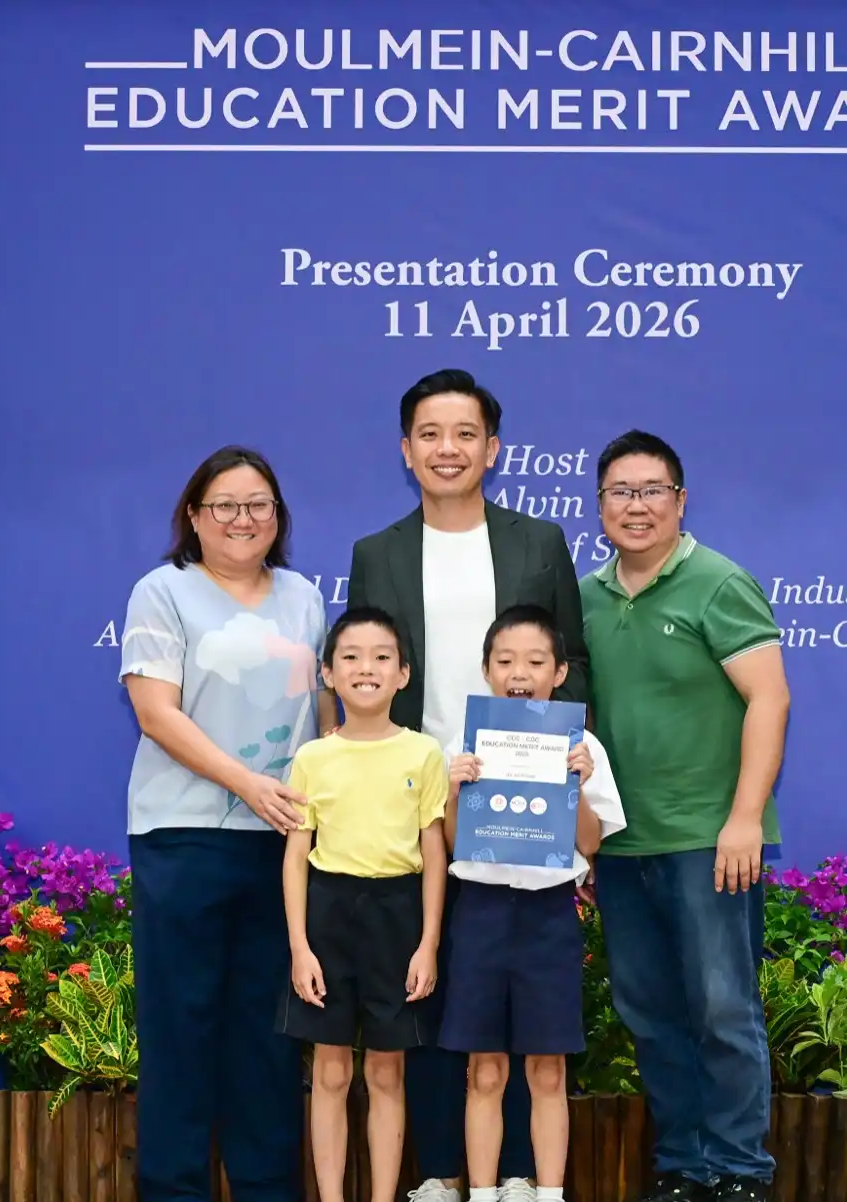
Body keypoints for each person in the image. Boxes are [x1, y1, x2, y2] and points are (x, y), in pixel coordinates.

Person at [347, 368, 589, 1202]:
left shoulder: (539, 543)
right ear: (405, 449)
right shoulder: (376, 553)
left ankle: (518, 1171)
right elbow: (363, 674)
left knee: (518, 997)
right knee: (428, 980)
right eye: (429, 434)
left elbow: (575, 662)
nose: (446, 449)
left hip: (520, 807)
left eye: (464, 434)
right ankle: (442, 1170)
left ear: (493, 449)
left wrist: (567, 796)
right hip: (418, 793)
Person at [577, 431, 792, 1202]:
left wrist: (745, 817)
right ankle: (684, 1165)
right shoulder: (585, 598)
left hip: (710, 840)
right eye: (620, 492)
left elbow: (770, 698)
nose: (635, 506)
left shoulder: (718, 583)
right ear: (599, 505)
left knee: (722, 1009)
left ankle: (740, 1170)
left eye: (651, 491)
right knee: (650, 1012)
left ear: (680, 500)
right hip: (623, 845)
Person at [118, 445, 336, 1202]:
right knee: (180, 1027)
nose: (243, 519)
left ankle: (267, 1187)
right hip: (184, 836)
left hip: (281, 844)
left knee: (269, 1034)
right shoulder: (163, 591)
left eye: (258, 506)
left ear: (278, 516)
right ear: (194, 515)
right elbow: (156, 713)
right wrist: (247, 783)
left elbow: (323, 711)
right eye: (226, 506)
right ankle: (172, 1188)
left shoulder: (304, 598)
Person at [440, 605, 627, 1202]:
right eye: (505, 661)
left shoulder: (582, 745)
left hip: (549, 917)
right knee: (485, 1070)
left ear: (559, 672)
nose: (519, 672)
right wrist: (455, 790)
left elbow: (591, 843)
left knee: (548, 1069)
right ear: (486, 670)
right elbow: (451, 842)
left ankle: (549, 1193)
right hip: (479, 914)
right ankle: (482, 1192)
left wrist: (576, 785)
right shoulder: (463, 743)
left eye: (535, 661)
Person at [278, 606, 450, 1202]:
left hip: (398, 916)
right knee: (329, 1069)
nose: (366, 668)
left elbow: (433, 853)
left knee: (386, 1069)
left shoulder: (424, 754)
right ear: (328, 673)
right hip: (328, 914)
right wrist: (300, 948)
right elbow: (296, 857)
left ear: (403, 673)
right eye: (350, 657)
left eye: (382, 657)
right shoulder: (313, 757)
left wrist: (428, 945)